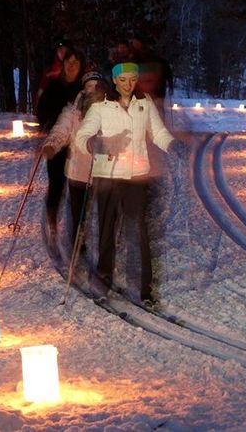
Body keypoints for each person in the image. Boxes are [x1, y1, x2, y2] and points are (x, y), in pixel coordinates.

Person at [74, 62, 176, 306]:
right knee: (107, 229)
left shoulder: (144, 103)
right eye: (123, 80)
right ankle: (103, 281)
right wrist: (97, 144)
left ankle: (146, 290)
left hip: (136, 176)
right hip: (107, 174)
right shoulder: (101, 106)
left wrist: (173, 145)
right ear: (115, 80)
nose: (128, 84)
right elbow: (82, 136)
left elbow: (158, 132)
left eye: (132, 79)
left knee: (139, 231)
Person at [41, 71, 110, 255]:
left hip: (101, 170)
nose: (92, 90)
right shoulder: (73, 111)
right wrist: (51, 145)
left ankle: (107, 248)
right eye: (88, 86)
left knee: (104, 210)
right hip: (77, 171)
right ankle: (78, 243)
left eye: (96, 86)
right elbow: (61, 130)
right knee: (78, 211)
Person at [36, 49, 85, 239]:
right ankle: (52, 217)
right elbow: (41, 111)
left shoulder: (83, 89)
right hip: (57, 143)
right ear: (63, 64)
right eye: (69, 62)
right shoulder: (54, 87)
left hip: (78, 146)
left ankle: (78, 227)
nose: (71, 66)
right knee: (56, 182)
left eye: (76, 62)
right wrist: (47, 123)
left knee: (77, 186)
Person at [35, 38, 72, 109]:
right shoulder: (50, 71)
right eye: (60, 50)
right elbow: (41, 92)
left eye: (65, 51)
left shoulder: (76, 68)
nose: (62, 53)